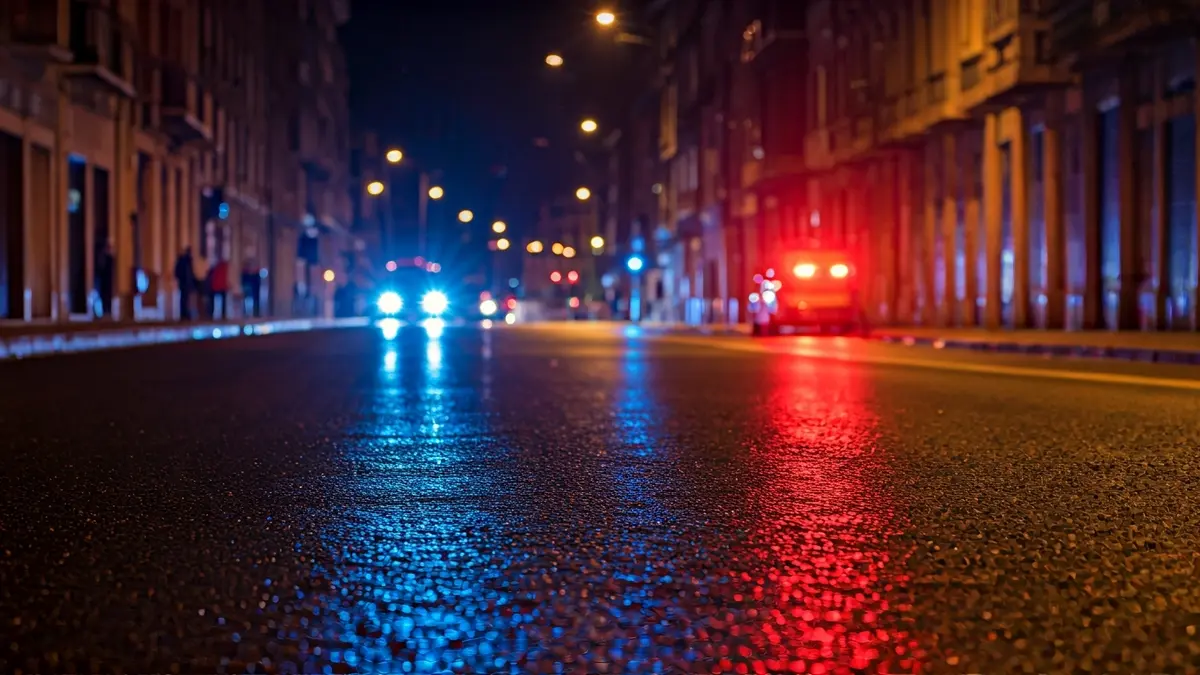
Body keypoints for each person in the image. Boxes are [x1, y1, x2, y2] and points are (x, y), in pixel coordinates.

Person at [173, 246, 196, 320]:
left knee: (185, 299)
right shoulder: (185, 261)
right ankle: (184, 313)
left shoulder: (186, 261)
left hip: (185, 283)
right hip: (185, 283)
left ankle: (185, 313)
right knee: (184, 298)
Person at [94, 240, 114, 319]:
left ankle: (107, 311)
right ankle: (103, 312)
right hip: (103, 282)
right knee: (103, 297)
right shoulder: (102, 257)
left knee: (107, 297)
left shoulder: (110, 258)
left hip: (108, 282)